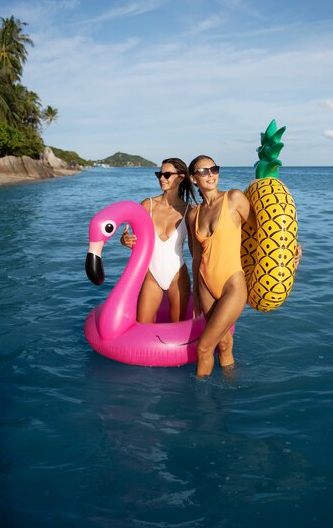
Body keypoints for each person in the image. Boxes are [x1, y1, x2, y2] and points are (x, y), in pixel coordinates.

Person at [187, 155, 302, 378]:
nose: (210, 174)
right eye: (203, 171)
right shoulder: (194, 214)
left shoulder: (234, 199)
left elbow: (267, 231)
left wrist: (290, 252)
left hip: (232, 283)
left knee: (203, 347)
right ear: (193, 179)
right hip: (204, 283)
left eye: (214, 169)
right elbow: (196, 256)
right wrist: (196, 293)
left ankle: (202, 405)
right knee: (223, 343)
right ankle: (230, 387)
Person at [121, 158, 197, 323]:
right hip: (151, 276)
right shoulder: (147, 205)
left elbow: (195, 249)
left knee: (177, 327)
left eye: (167, 174)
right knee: (142, 325)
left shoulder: (189, 211)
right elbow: (134, 241)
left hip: (178, 276)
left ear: (181, 177)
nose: (162, 178)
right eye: (159, 174)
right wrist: (124, 240)